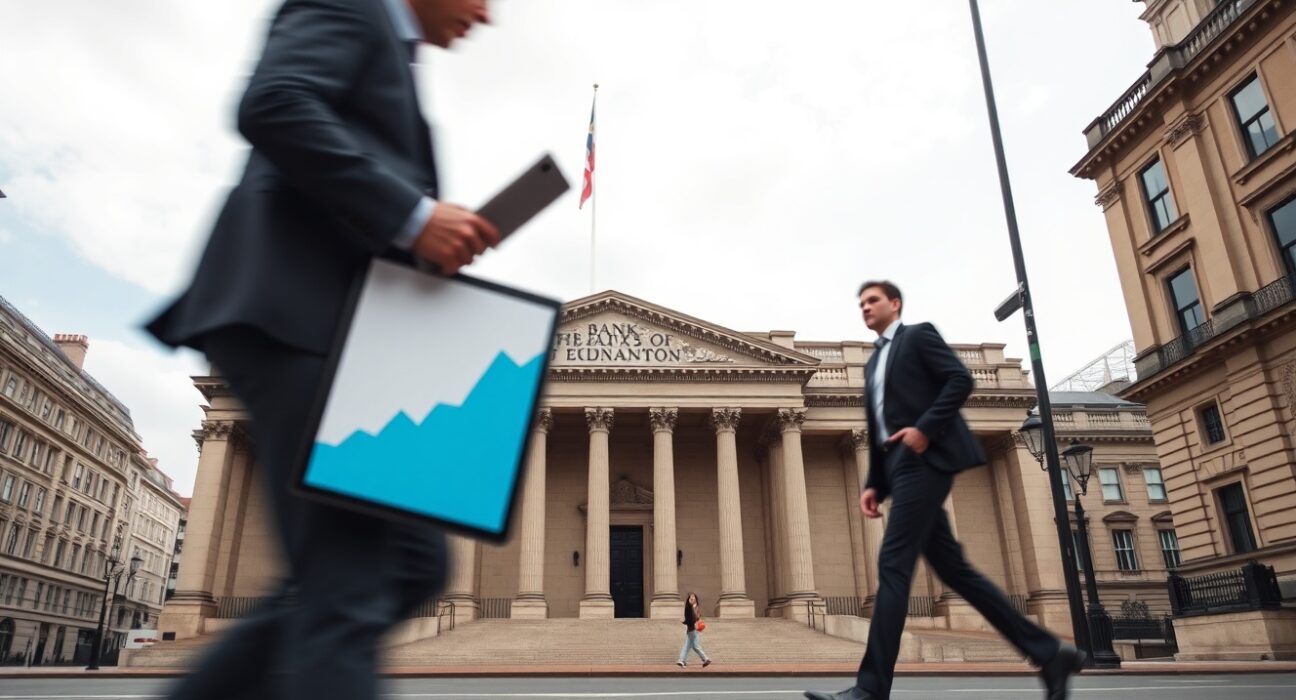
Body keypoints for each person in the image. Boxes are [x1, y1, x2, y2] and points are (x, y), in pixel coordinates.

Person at [146, 2, 499, 698]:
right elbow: (274, 102)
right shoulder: (350, 5)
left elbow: (351, 203)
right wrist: (415, 215)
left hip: (339, 337)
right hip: (294, 318)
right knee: (351, 581)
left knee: (409, 563)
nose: (486, 14)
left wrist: (422, 249)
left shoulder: (396, 53)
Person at [804, 281, 1084, 700]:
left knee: (894, 564)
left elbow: (959, 380)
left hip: (927, 459)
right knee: (955, 571)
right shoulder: (873, 363)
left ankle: (871, 687)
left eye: (873, 300)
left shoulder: (918, 336)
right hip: (900, 470)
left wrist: (924, 428)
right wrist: (874, 485)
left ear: (894, 304)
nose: (866, 307)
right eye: (861, 303)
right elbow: (880, 427)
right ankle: (1049, 652)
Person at [677, 592, 712, 668]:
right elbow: (691, 618)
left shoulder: (695, 607)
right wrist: (685, 621)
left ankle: (682, 660)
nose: (692, 598)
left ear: (696, 599)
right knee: (693, 646)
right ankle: (705, 659)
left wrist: (685, 621)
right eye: (690, 597)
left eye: (693, 597)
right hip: (692, 629)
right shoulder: (690, 607)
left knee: (690, 646)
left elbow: (695, 618)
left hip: (693, 629)